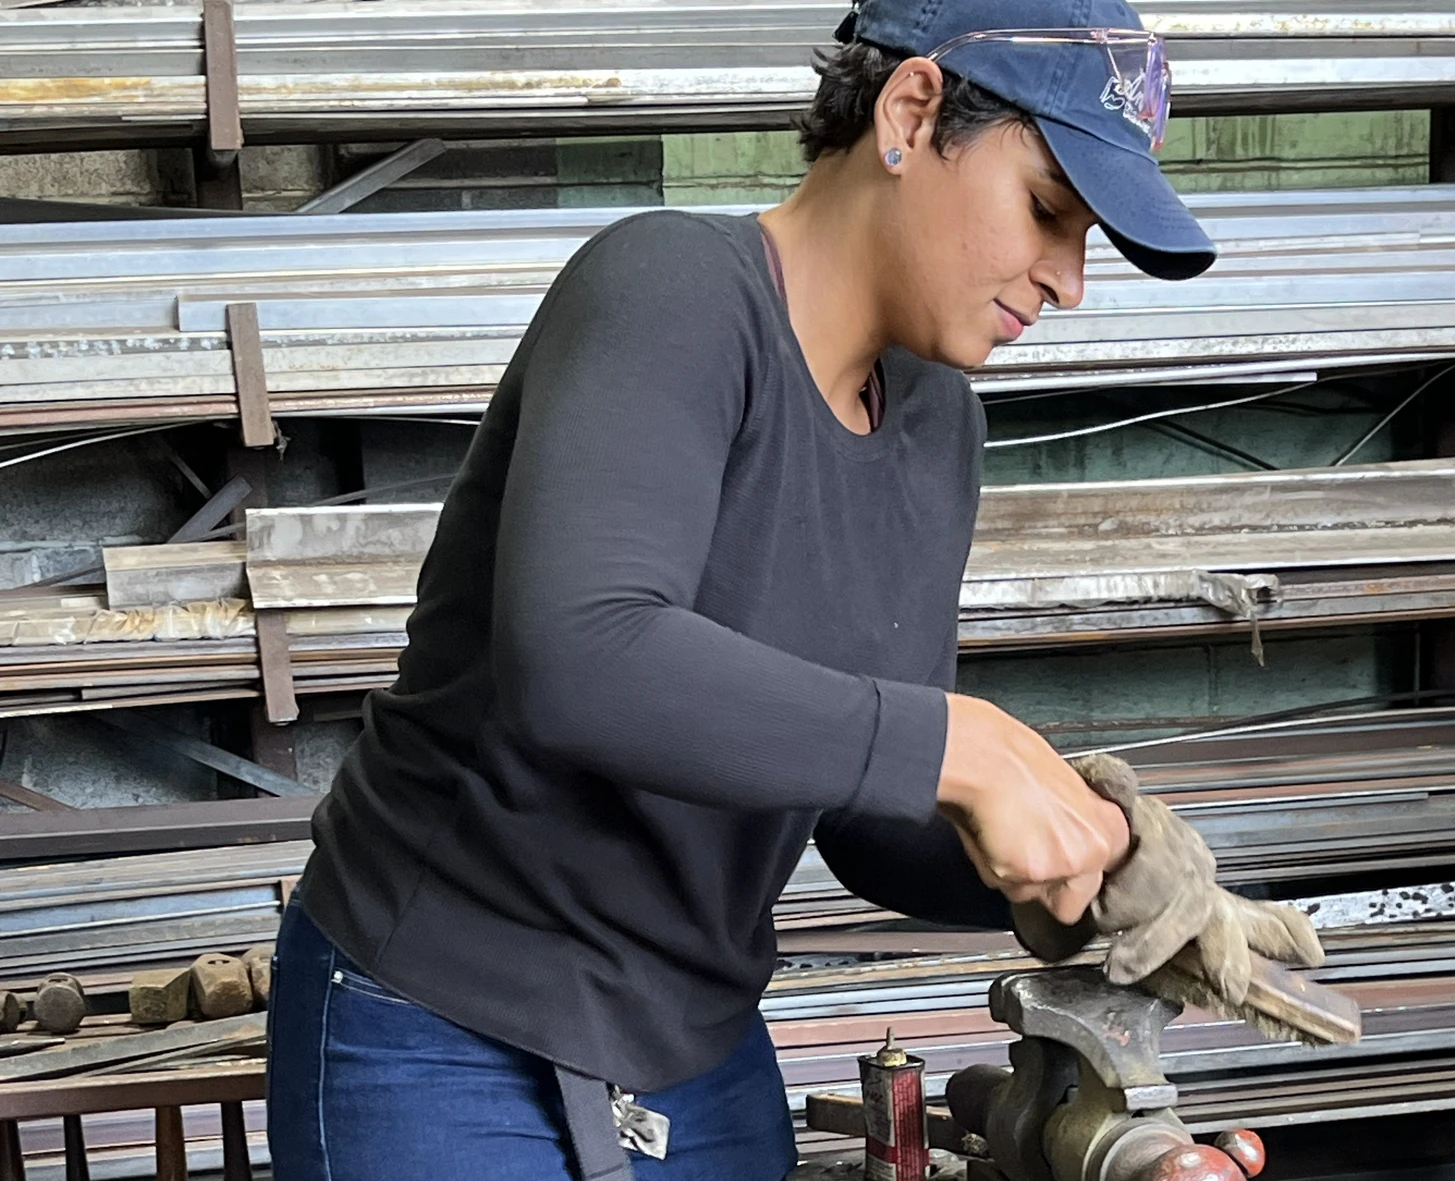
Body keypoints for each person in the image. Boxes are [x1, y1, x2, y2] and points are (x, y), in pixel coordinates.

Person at [266, 0, 1218, 1177]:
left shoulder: (934, 424)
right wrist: (966, 750)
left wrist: (1087, 870)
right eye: (1047, 212)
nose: (1068, 280)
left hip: (696, 1044)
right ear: (913, 113)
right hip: (447, 1022)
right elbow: (585, 655)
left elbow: (867, 817)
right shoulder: (674, 288)